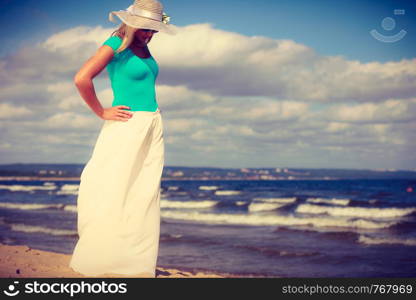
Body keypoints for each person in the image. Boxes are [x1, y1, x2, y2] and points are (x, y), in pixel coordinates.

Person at [69, 0, 176, 277]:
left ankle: (134, 265)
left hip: (152, 124)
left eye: (153, 30)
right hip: (128, 125)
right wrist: (101, 111)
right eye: (145, 29)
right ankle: (101, 259)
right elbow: (82, 78)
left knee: (143, 194)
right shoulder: (116, 42)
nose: (149, 34)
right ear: (131, 23)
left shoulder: (144, 46)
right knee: (114, 188)